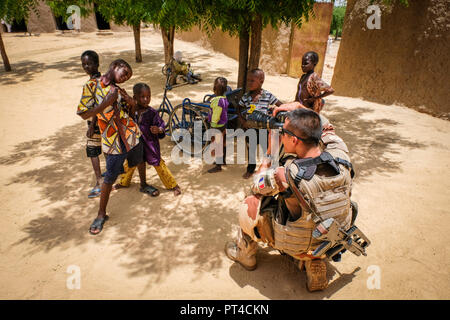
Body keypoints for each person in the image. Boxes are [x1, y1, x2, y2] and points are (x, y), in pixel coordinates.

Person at [224, 108, 355, 292]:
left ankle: (246, 253)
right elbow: (326, 127)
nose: (281, 134)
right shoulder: (340, 154)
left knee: (250, 202)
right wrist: (299, 106)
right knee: (313, 213)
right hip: (331, 239)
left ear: (293, 140)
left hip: (298, 243)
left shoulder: (286, 174)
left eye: (283, 132)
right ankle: (313, 261)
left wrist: (271, 151)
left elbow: (256, 185)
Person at [77, 59, 143, 235]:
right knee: (109, 179)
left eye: (128, 77)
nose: (126, 78)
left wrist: (131, 103)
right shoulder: (92, 86)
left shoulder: (119, 90)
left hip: (131, 135)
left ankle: (143, 184)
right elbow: (84, 114)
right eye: (125, 73)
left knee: (139, 159)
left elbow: (131, 112)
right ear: (115, 66)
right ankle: (101, 214)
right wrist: (106, 102)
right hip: (112, 141)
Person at [114, 83, 182, 196]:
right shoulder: (131, 110)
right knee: (131, 163)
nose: (146, 99)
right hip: (135, 144)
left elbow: (161, 125)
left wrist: (158, 129)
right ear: (135, 98)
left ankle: (173, 185)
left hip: (150, 145)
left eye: (148, 96)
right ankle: (125, 182)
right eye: (142, 97)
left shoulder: (152, 113)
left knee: (158, 164)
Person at [237, 69, 282, 179]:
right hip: (250, 129)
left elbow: (280, 105)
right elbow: (239, 107)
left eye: (252, 80)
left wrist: (274, 115)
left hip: (263, 129)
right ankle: (250, 169)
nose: (249, 83)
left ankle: (268, 169)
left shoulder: (267, 95)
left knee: (265, 150)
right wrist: (243, 121)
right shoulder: (246, 97)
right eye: (248, 80)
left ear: (261, 81)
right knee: (251, 150)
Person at [80, 50, 103, 198]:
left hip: (96, 122)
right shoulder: (104, 79)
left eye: (89, 63)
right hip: (107, 121)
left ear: (97, 64)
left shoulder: (90, 84)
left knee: (93, 149)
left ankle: (100, 180)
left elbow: (95, 106)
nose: (86, 66)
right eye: (84, 64)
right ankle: (113, 173)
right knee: (107, 148)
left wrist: (91, 124)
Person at [207, 77, 229, 173]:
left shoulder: (215, 101)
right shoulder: (224, 99)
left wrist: (212, 124)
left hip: (217, 125)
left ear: (214, 89)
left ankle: (218, 166)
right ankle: (223, 160)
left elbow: (216, 114)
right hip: (223, 124)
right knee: (223, 142)